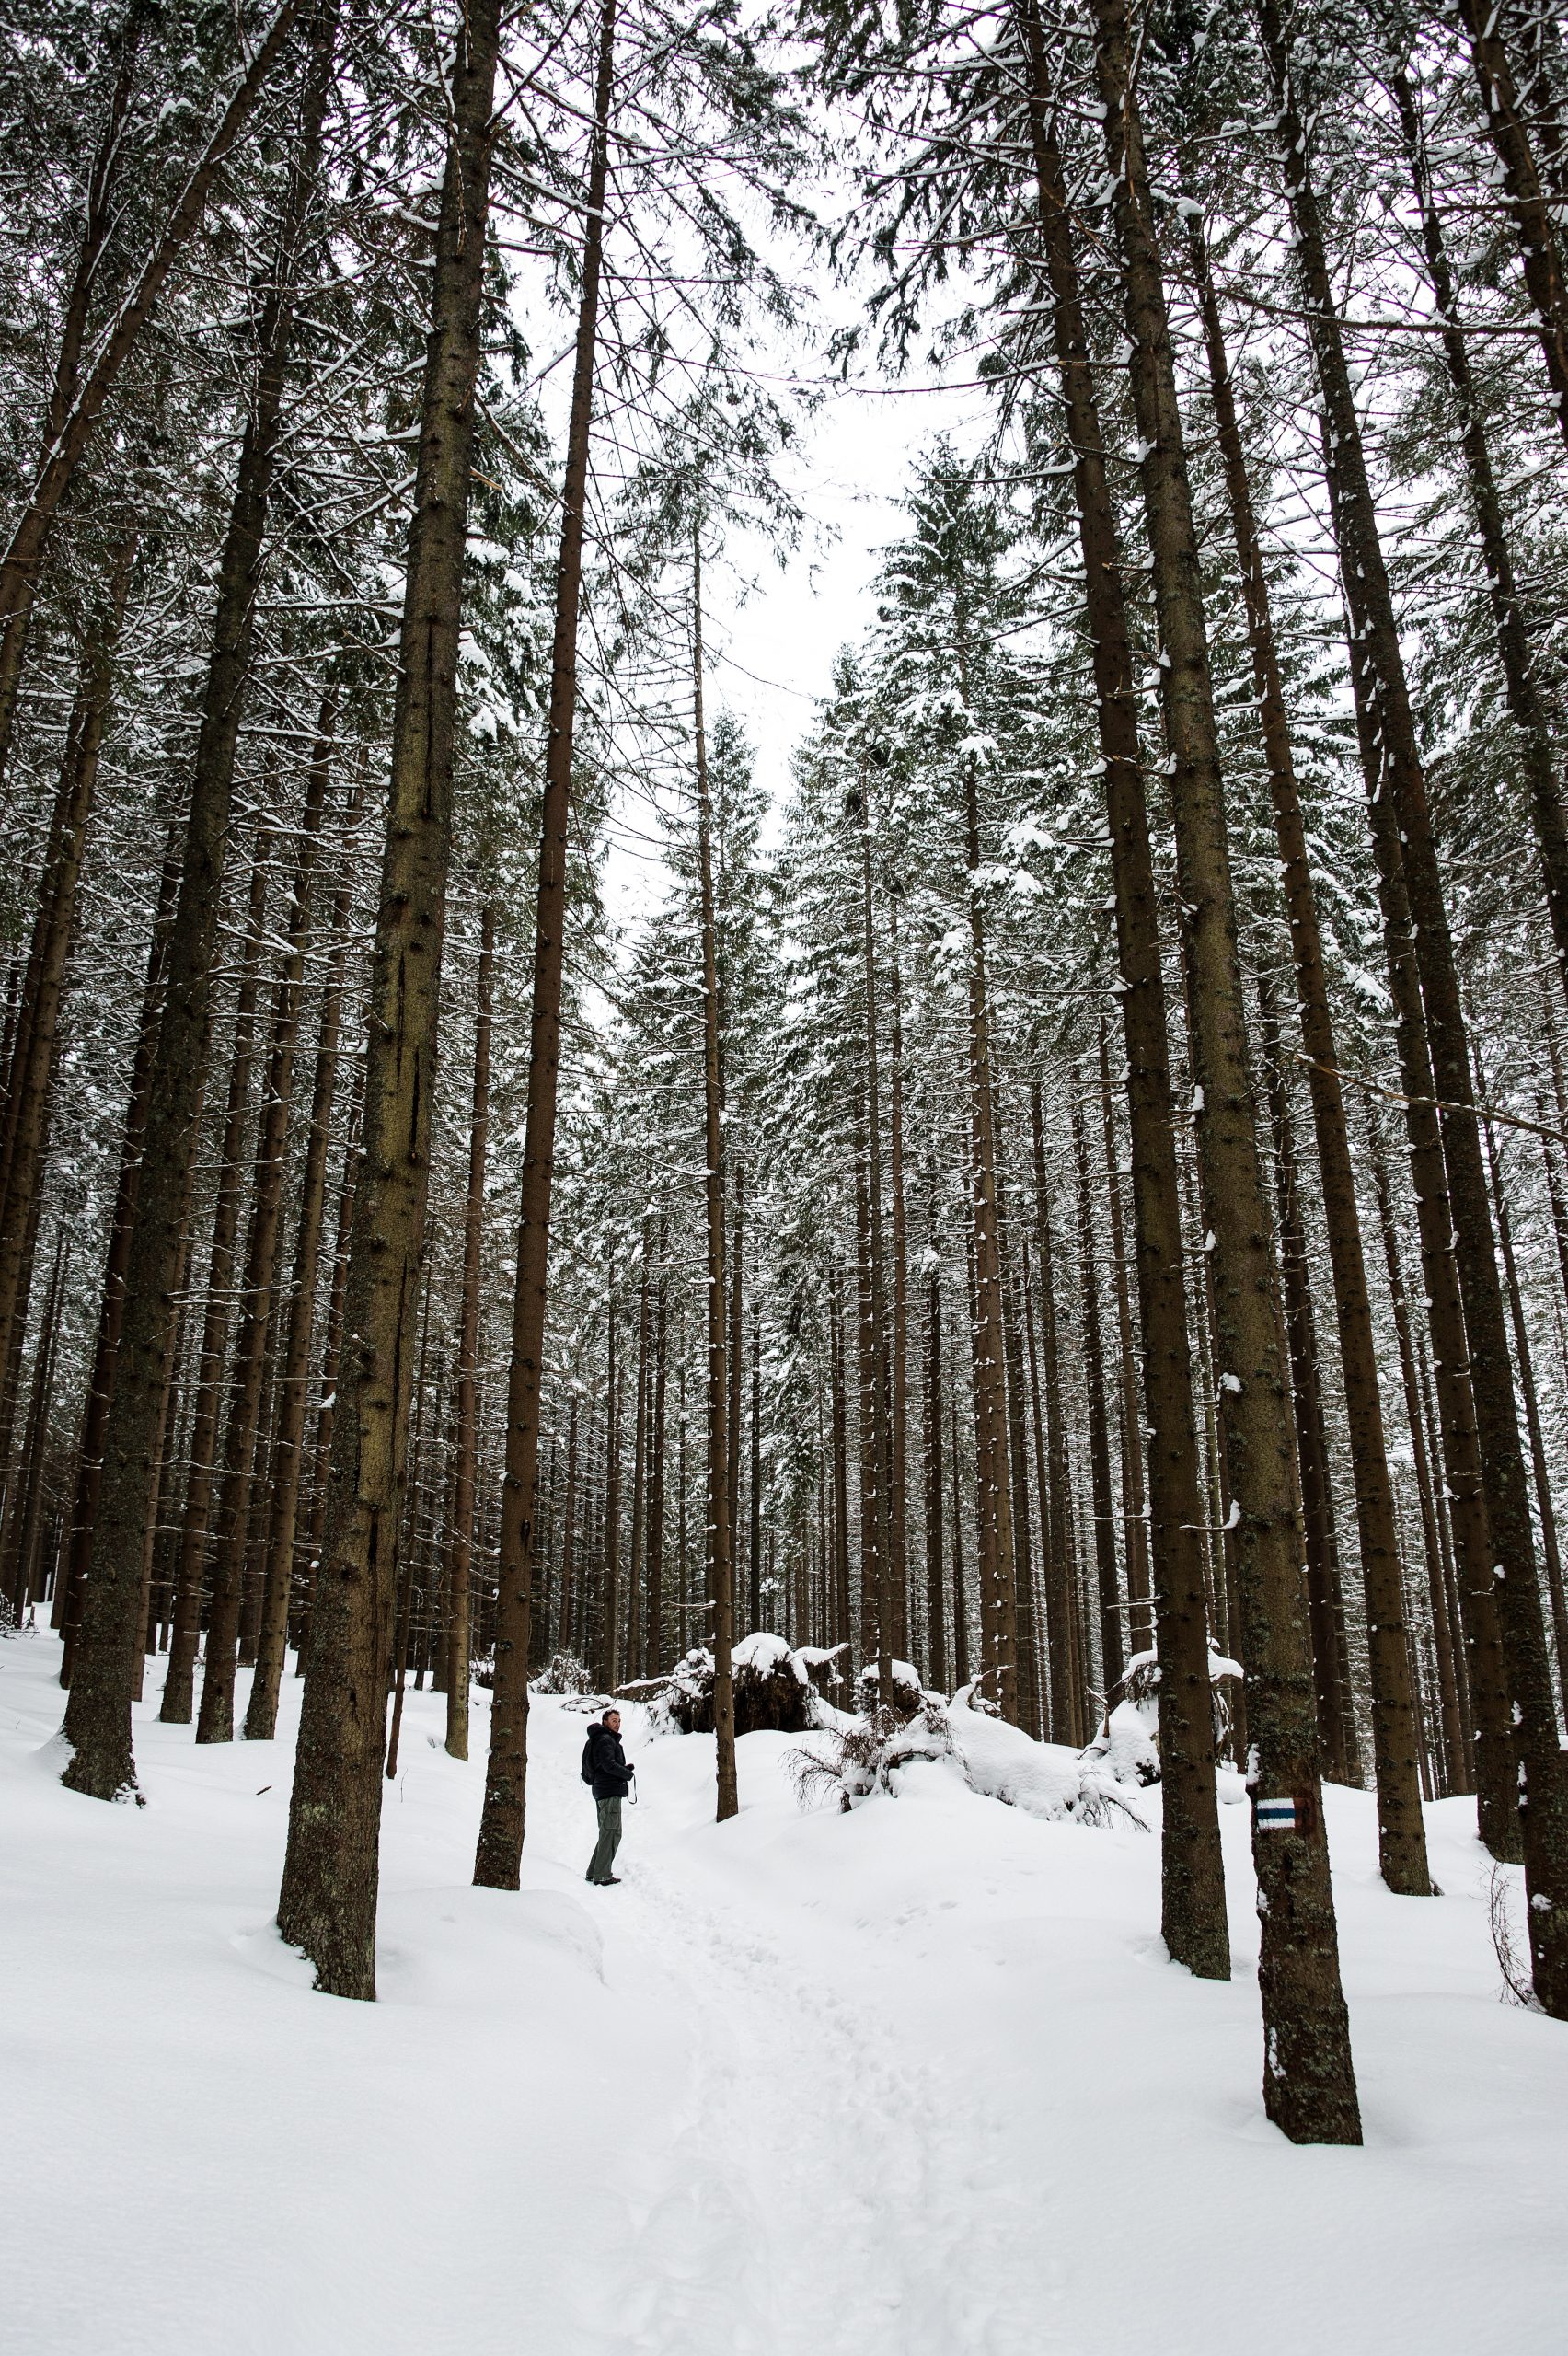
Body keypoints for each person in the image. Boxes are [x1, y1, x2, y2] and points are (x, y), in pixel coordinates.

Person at [582, 1706, 633, 1886]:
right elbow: (608, 1765)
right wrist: (626, 1774)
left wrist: (624, 1769)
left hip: (603, 1790)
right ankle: (602, 1875)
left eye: (619, 1721)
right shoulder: (605, 1740)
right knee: (612, 1832)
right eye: (613, 1721)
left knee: (607, 1832)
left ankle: (593, 1872)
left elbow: (604, 1764)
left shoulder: (600, 1739)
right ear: (605, 1722)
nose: (617, 1724)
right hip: (609, 1791)